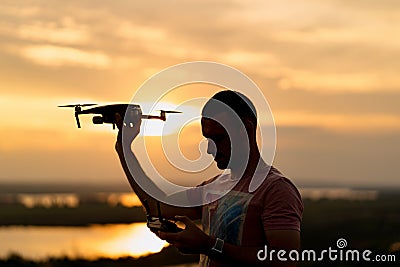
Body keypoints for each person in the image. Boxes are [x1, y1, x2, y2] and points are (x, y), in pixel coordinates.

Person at [115, 90, 303, 267]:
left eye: (218, 138)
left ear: (246, 129)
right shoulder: (213, 187)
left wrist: (207, 245)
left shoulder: (276, 190)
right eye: (207, 139)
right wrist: (124, 150)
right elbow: (158, 205)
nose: (209, 149)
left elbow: (284, 261)